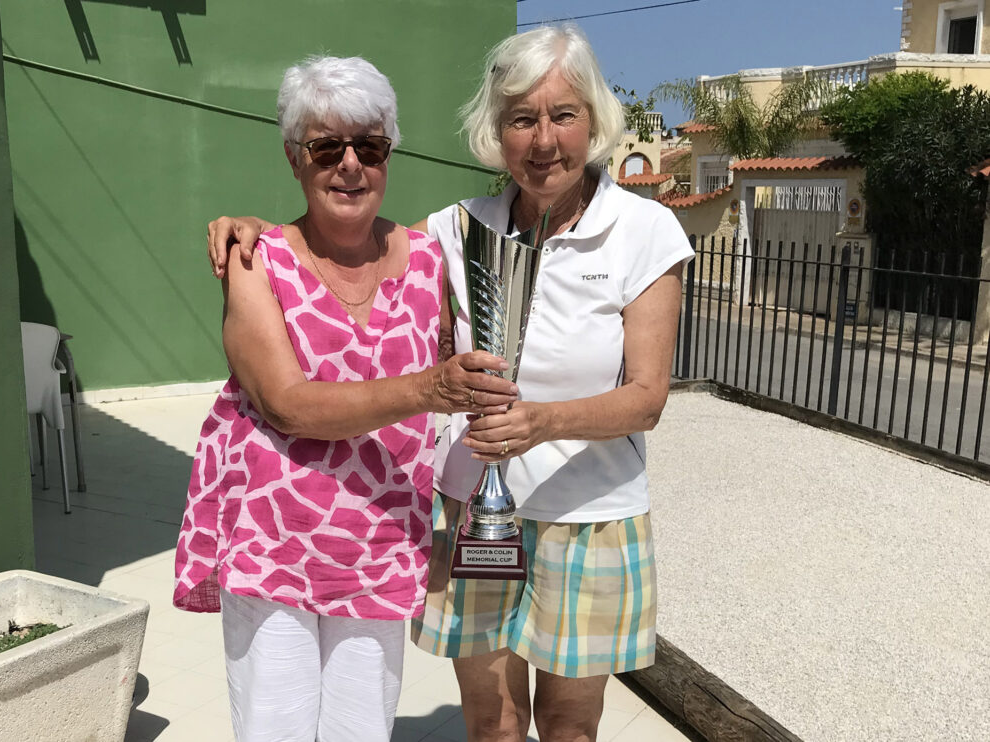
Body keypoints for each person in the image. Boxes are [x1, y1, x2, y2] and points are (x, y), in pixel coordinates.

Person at [207, 25, 693, 742]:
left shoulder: (644, 230)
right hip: (474, 512)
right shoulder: (453, 232)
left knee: (570, 724)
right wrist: (258, 230)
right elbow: (355, 245)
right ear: (496, 132)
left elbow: (646, 398)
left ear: (594, 120)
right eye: (522, 119)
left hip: (592, 516)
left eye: (563, 115)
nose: (543, 140)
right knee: (492, 722)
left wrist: (540, 423)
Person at [174, 55, 518, 742]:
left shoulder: (429, 259)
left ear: (389, 155)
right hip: (275, 547)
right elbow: (288, 405)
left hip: (381, 540)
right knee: (276, 731)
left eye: (371, 145)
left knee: (361, 733)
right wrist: (428, 388)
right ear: (295, 157)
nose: (351, 164)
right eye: (327, 146)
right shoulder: (256, 259)